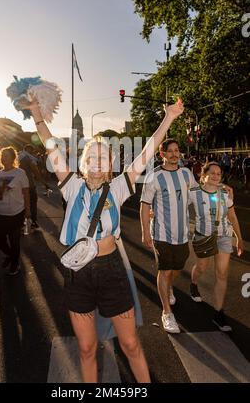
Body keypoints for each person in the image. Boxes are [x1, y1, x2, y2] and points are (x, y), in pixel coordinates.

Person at [25, 95, 184, 383]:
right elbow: (50, 144)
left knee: (131, 344)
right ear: (83, 163)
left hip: (112, 271)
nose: (97, 163)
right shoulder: (71, 185)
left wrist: (169, 118)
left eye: (103, 157)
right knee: (86, 349)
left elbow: (147, 152)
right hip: (79, 274)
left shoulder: (120, 187)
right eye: (91, 158)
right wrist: (37, 114)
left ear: (110, 163)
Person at [140, 139, 198, 334]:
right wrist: (145, 232)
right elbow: (145, 205)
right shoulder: (154, 176)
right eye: (170, 151)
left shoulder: (186, 173)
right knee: (165, 271)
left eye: (176, 150)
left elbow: (198, 194)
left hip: (182, 234)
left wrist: (221, 192)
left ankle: (169, 287)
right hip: (161, 234)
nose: (174, 154)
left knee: (177, 268)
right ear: (162, 154)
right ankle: (167, 313)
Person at [189, 162, 244, 332]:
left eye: (218, 174)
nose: (215, 176)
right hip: (203, 236)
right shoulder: (193, 193)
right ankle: (193, 284)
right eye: (212, 173)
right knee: (201, 267)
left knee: (222, 274)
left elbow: (233, 217)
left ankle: (218, 313)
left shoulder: (225, 194)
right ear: (203, 175)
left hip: (223, 237)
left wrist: (239, 239)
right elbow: (176, 206)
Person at [0, 147, 30, 275]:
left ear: (13, 158)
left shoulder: (20, 173)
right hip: (0, 212)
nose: (4, 157)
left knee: (14, 240)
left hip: (16, 212)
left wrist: (28, 210)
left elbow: (26, 192)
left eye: (6, 155)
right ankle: (10, 255)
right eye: (2, 155)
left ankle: (15, 264)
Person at [19, 144, 41, 229]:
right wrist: (44, 183)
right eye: (31, 150)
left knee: (21, 203)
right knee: (32, 203)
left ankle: (20, 223)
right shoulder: (28, 158)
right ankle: (33, 222)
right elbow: (35, 171)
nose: (32, 152)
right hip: (29, 184)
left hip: (19, 184)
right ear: (28, 149)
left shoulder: (18, 156)